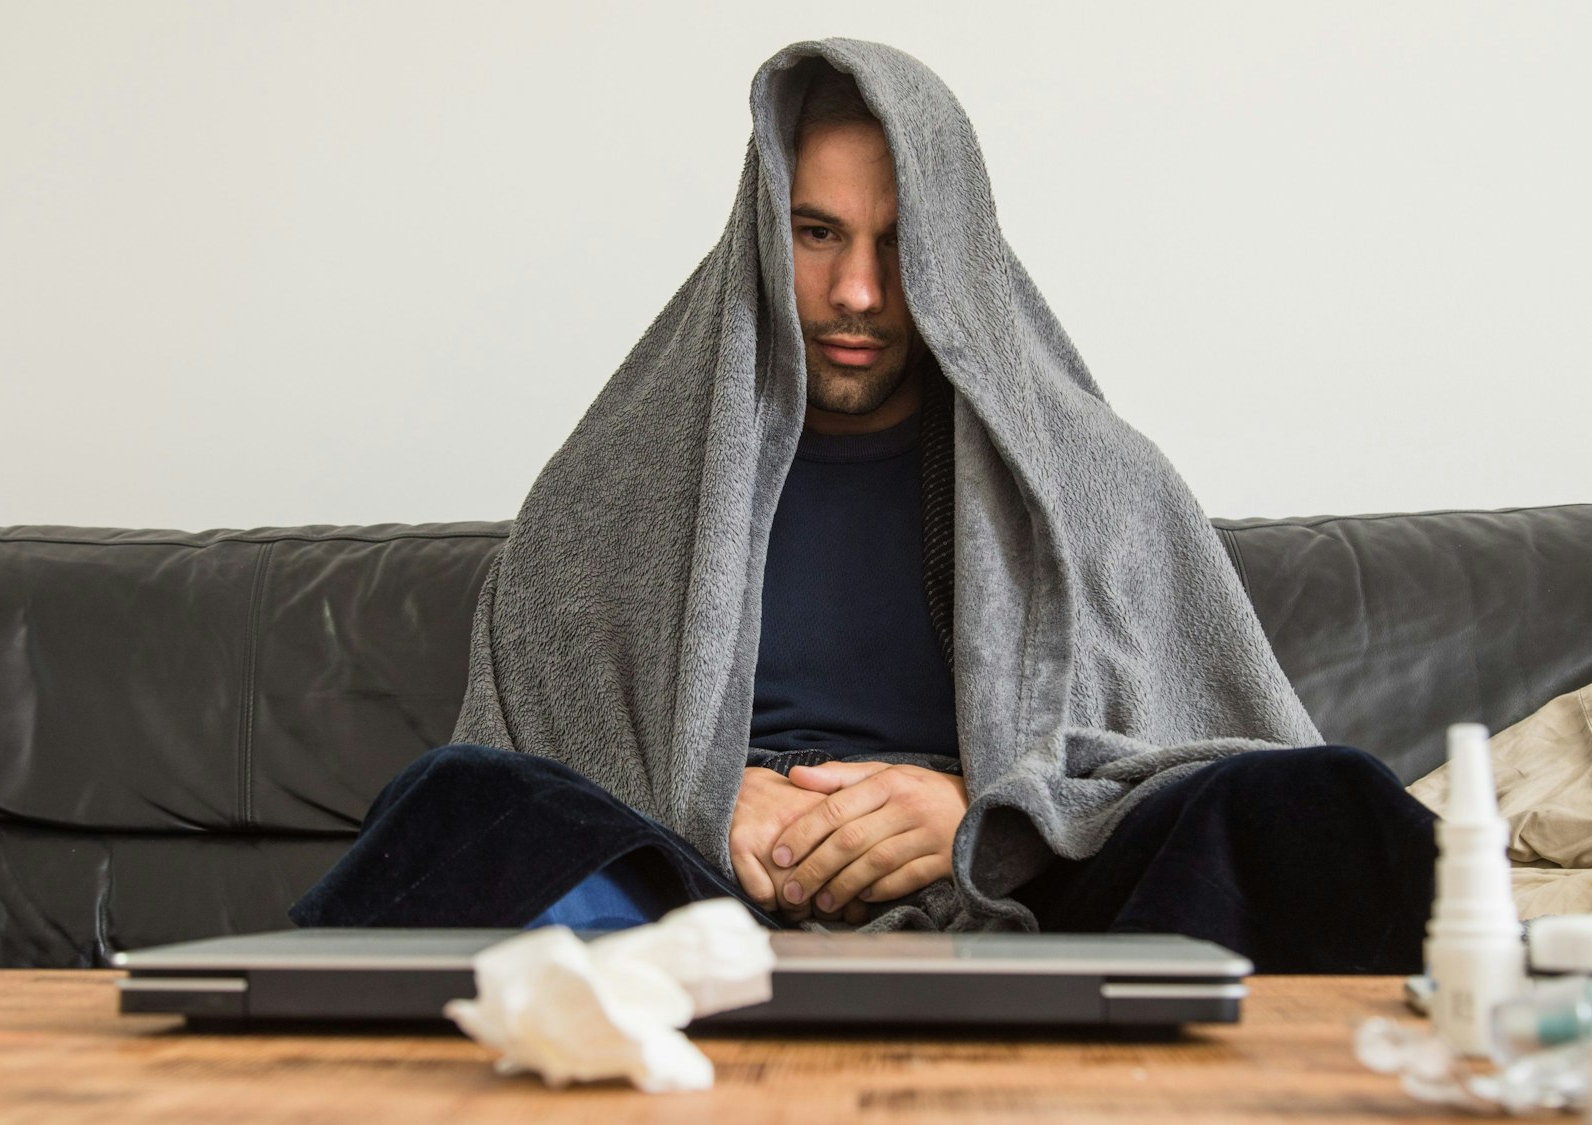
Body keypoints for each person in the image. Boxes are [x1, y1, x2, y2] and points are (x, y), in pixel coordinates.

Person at [292, 40, 1438, 972]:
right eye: (817, 234)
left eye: (899, 247)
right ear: (760, 236)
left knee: (1323, 804)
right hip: (689, 921)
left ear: (960, 257)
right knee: (456, 801)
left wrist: (980, 813)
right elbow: (533, 760)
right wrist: (696, 797)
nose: (854, 292)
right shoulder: (610, 488)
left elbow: (1184, 762)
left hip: (1018, 918)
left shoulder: (1096, 477)